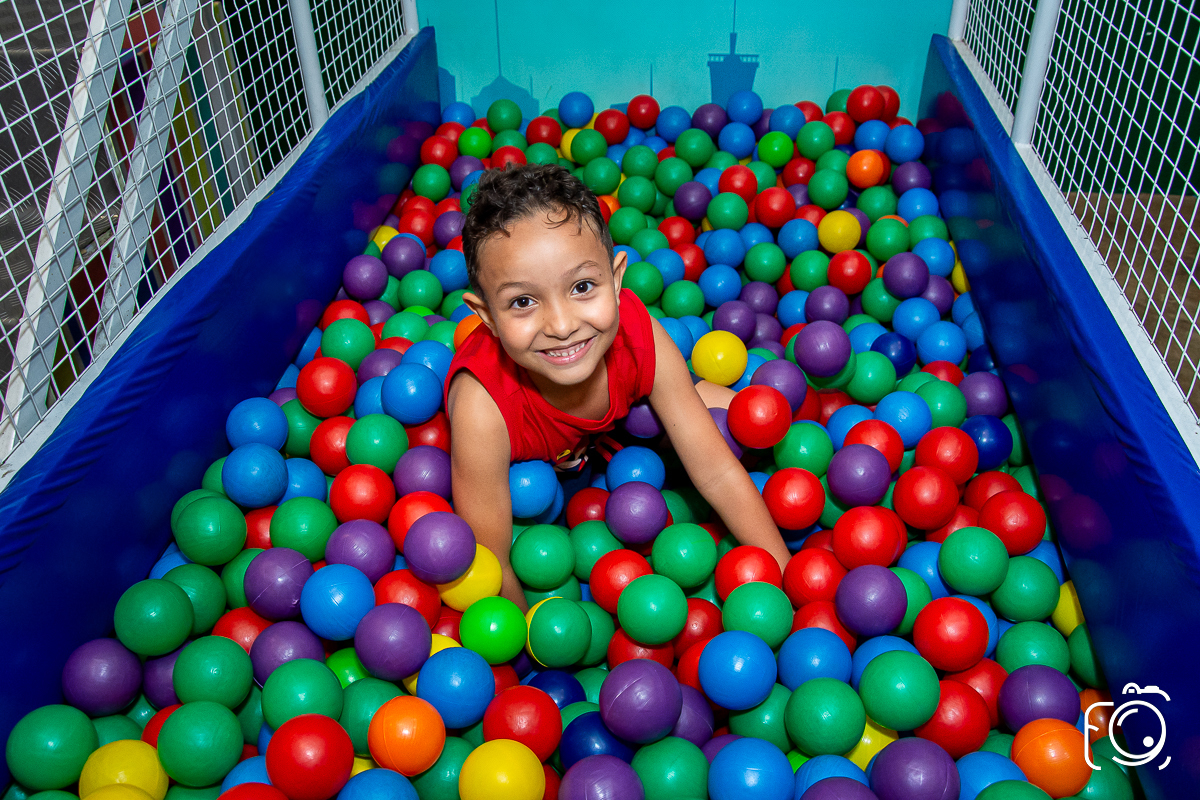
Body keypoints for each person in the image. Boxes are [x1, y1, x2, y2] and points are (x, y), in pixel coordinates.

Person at [444, 164, 790, 610]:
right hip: (547, 466)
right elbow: (490, 562)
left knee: (740, 416)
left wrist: (784, 577)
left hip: (621, 422)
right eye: (523, 302)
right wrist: (522, 658)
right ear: (486, 315)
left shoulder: (637, 332)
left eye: (583, 286)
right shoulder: (482, 407)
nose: (563, 325)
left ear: (617, 277)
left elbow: (718, 471)